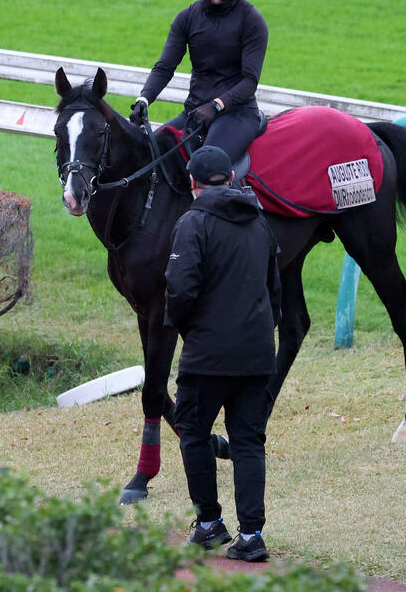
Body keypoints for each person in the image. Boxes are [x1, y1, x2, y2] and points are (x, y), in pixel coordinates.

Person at [164, 145, 281, 561]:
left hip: (207, 356)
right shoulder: (259, 221)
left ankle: (210, 523)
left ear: (191, 183)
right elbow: (275, 290)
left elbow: (179, 291)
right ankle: (252, 535)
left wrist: (187, 331)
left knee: (193, 432)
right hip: (255, 353)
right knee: (249, 441)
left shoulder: (192, 224)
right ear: (231, 179)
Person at [130, 0, 268, 165]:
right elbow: (165, 67)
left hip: (237, 115)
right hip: (195, 113)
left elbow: (249, 81)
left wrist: (216, 105)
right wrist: (144, 99)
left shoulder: (252, 21)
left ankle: (237, 198)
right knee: (149, 156)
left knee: (207, 166)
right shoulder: (187, 17)